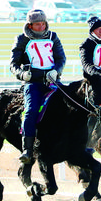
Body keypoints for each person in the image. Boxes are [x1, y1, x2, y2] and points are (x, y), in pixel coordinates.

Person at [10, 9, 66, 164]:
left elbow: (61, 58)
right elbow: (13, 65)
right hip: (32, 84)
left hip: (52, 81)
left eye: (43, 24)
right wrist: (22, 74)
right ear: (30, 25)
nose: (41, 27)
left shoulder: (53, 37)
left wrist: (56, 71)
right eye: (37, 25)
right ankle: (27, 149)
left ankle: (81, 143)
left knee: (72, 105)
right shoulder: (21, 39)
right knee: (31, 110)